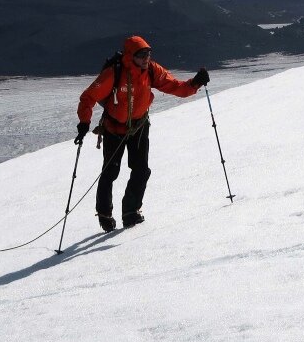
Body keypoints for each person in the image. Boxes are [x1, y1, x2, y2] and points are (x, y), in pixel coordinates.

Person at [76, 35, 209, 232]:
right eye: (141, 54)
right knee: (110, 172)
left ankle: (130, 213)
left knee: (141, 170)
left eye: (148, 53)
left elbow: (175, 86)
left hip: (138, 127)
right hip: (114, 129)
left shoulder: (152, 71)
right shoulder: (115, 72)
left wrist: (195, 83)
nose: (146, 57)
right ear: (131, 56)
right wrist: (84, 122)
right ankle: (104, 214)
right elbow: (89, 96)